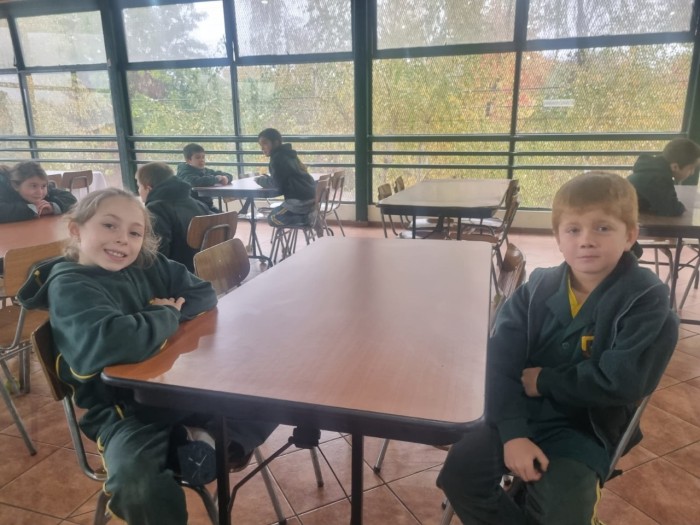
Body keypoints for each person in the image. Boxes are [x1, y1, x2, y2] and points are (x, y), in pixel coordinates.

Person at [17, 188, 275, 525]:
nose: (123, 239)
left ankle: (204, 441)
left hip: (181, 387)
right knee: (137, 485)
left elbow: (202, 294)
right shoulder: (70, 285)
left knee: (273, 390)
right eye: (109, 226)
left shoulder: (148, 264)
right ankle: (198, 446)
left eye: (135, 232)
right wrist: (165, 315)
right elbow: (109, 343)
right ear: (76, 230)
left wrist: (148, 326)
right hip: (125, 411)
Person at [437, 172, 678, 525]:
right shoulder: (537, 288)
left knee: (563, 513)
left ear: (630, 236)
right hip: (514, 412)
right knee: (460, 476)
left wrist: (545, 381)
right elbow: (499, 362)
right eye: (573, 230)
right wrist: (514, 433)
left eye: (603, 228)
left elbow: (622, 381)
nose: (587, 241)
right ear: (558, 239)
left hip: (584, 430)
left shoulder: (645, 300)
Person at [136, 161, 212, 272]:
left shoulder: (156, 209)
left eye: (139, 186)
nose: (138, 191)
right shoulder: (199, 204)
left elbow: (158, 253)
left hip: (178, 273)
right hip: (206, 269)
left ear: (148, 188)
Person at [255, 128, 316, 227]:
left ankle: (306, 219)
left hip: (299, 201)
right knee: (277, 213)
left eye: (265, 144)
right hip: (311, 198)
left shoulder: (277, 158)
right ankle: (306, 216)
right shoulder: (289, 154)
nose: (262, 148)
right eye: (261, 145)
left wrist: (260, 180)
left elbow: (276, 184)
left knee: (273, 218)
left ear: (276, 143)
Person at [628, 137, 700, 216]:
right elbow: (671, 209)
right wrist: (682, 208)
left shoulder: (654, 170)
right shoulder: (658, 179)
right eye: (690, 168)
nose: (692, 173)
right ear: (675, 167)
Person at [0, 161, 77, 224]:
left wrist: (52, 207)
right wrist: (34, 209)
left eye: (43, 186)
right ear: (15, 185)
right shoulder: (3, 189)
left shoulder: (43, 187)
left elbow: (71, 199)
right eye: (33, 186)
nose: (40, 192)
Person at [176, 143, 233, 212]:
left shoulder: (205, 170)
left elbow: (228, 175)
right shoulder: (184, 173)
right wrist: (217, 178)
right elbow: (195, 182)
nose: (202, 160)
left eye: (203, 157)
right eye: (198, 157)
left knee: (227, 216)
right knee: (223, 217)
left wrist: (226, 177)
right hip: (192, 209)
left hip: (207, 206)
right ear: (188, 160)